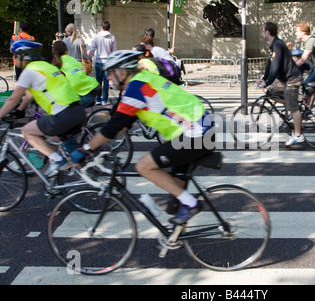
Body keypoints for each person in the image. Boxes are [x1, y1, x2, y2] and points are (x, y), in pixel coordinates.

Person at [70, 50, 215, 224]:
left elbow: (113, 127)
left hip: (195, 133)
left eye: (110, 73)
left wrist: (86, 148)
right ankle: (176, 234)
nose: (108, 78)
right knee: (175, 193)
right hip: (200, 126)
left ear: (122, 72)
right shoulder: (145, 79)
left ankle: (192, 205)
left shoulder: (137, 88)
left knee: (144, 166)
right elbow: (123, 122)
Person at [0, 40, 85, 177]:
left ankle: (59, 162)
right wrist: (20, 110)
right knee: (51, 144)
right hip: (77, 110)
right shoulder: (45, 67)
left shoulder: (29, 72)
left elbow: (12, 99)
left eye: (15, 56)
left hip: (63, 115)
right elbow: (28, 96)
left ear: (23, 56)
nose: (14, 59)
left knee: (27, 131)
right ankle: (56, 182)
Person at [256, 22, 304, 147]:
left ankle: (298, 135)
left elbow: (275, 67)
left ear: (267, 32)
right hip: (284, 80)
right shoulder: (273, 45)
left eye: (263, 31)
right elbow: (269, 64)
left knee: (293, 108)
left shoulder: (277, 44)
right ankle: (292, 105)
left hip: (292, 79)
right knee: (270, 94)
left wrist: (267, 82)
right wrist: (264, 78)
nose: (262, 33)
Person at [52, 40, 101, 108]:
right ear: (66, 50)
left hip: (83, 93)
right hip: (93, 87)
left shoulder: (57, 64)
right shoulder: (72, 59)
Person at [90, 21, 117, 105]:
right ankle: (104, 100)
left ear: (102, 27)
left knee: (98, 81)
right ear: (109, 28)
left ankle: (98, 99)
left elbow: (92, 49)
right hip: (108, 62)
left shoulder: (97, 37)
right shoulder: (112, 38)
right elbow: (114, 52)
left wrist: (90, 58)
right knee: (106, 82)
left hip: (98, 61)